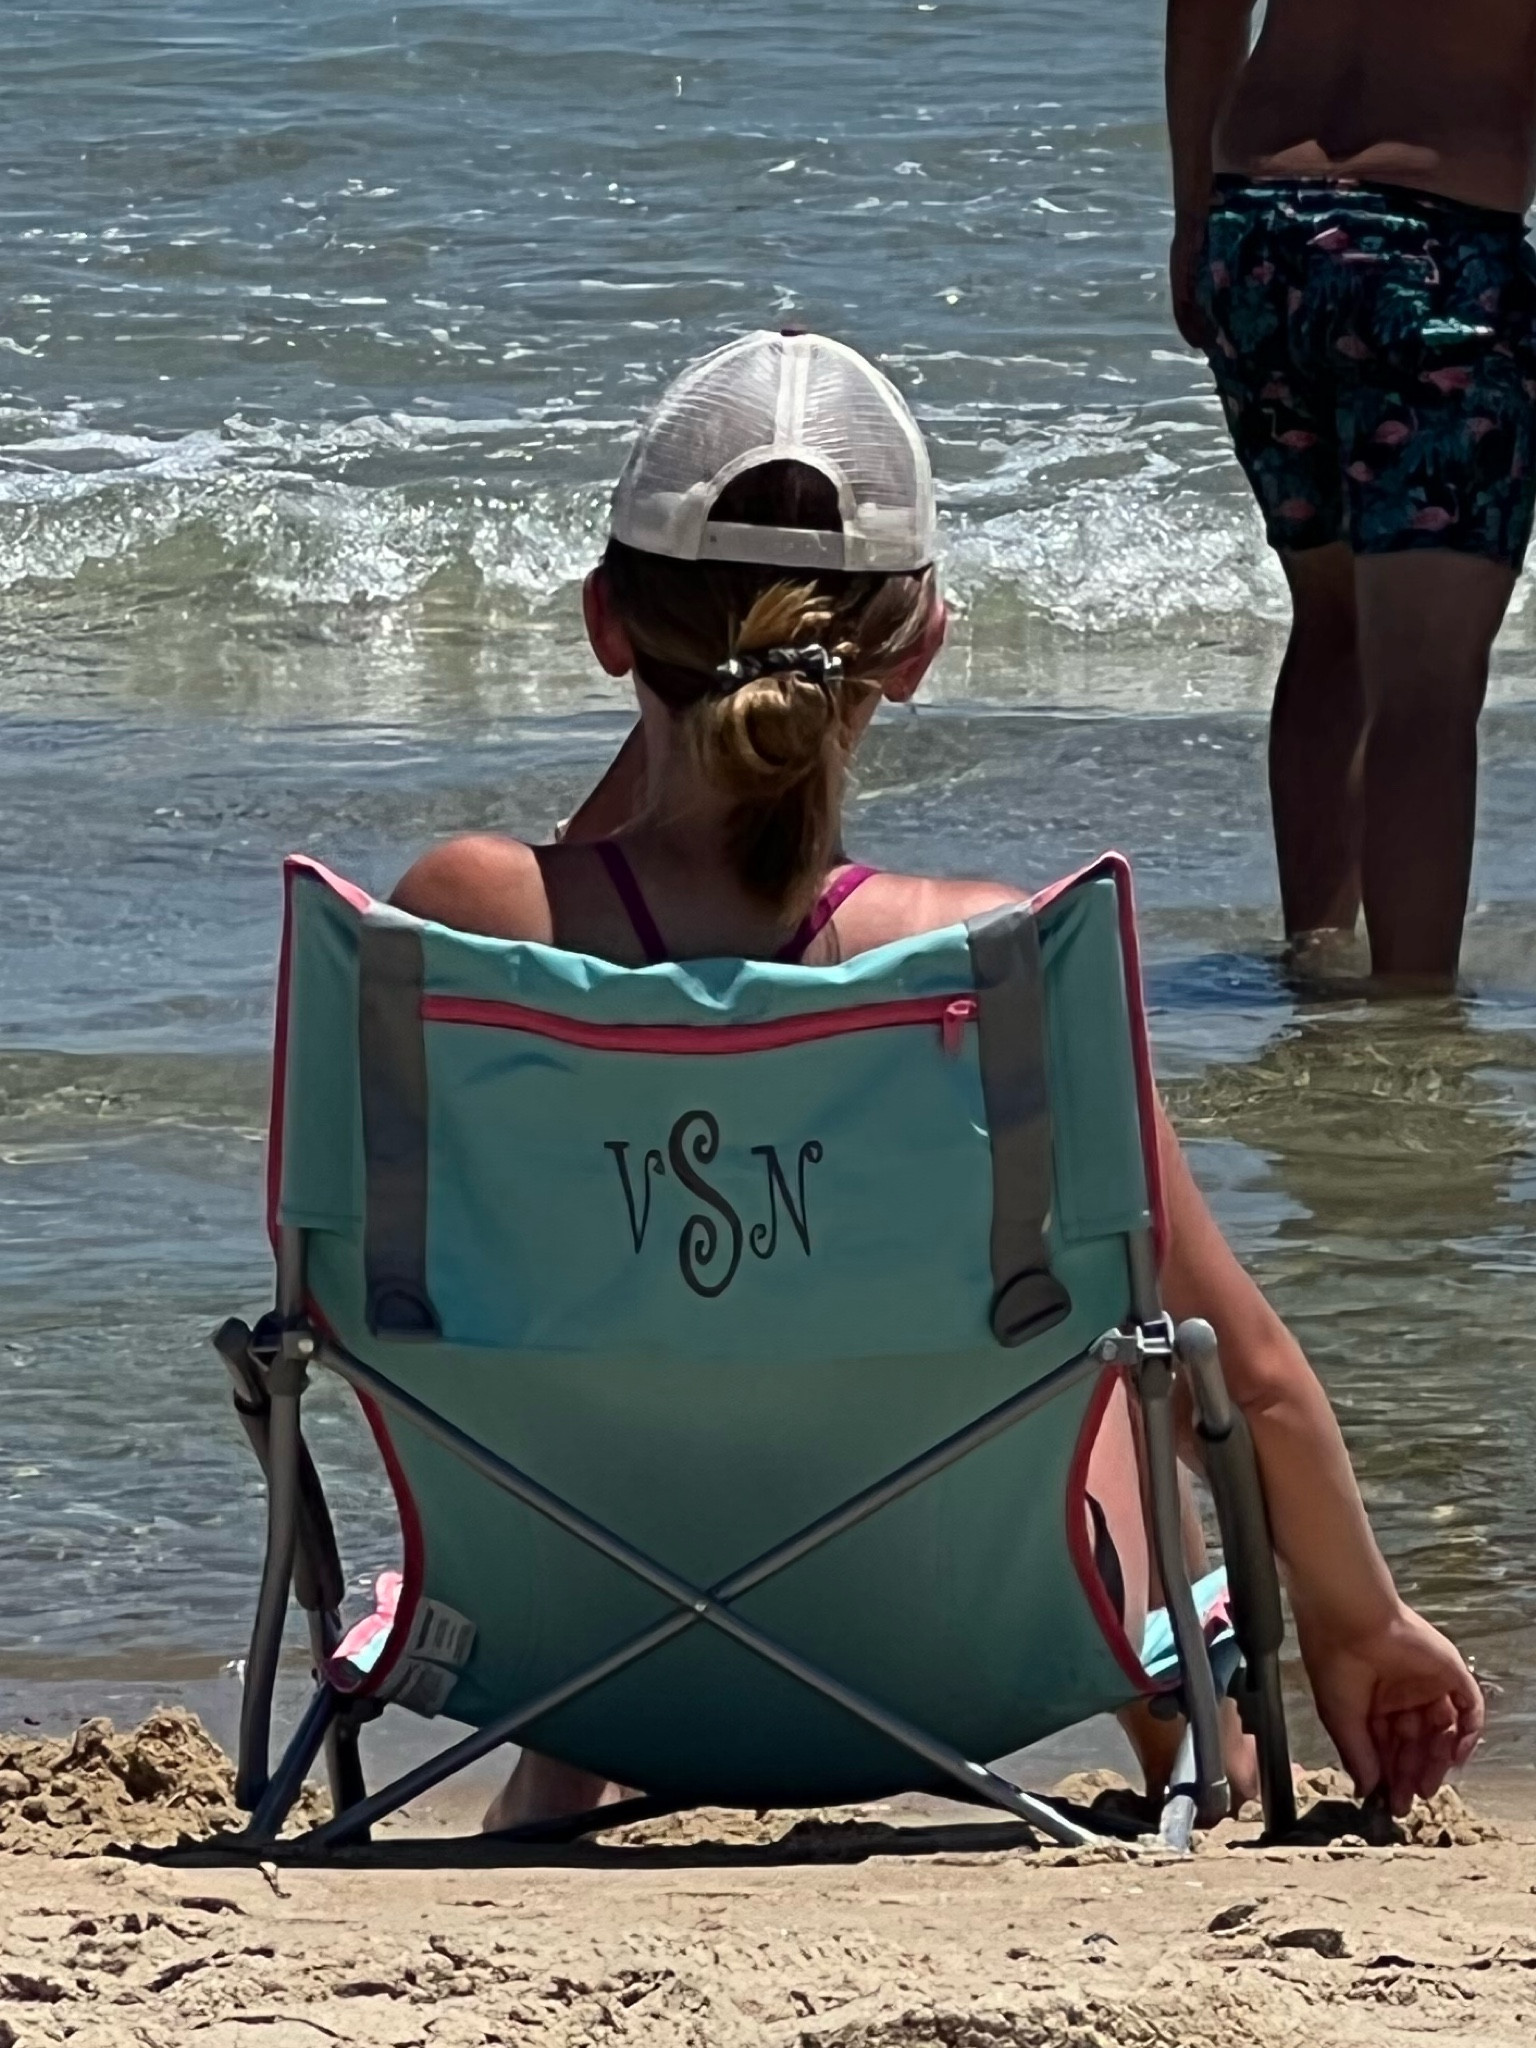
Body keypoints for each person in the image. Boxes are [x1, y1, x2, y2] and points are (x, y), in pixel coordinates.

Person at [392, 330, 1483, 1832]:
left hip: (578, 1651)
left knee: (618, 1331)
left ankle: (562, 1767)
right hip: (956, 1665)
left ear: (602, 624)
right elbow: (1255, 1382)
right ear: (919, 653)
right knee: (1109, 1346)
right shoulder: (987, 963)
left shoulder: (463, 918)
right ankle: (1209, 1756)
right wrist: (1364, 1628)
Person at [1167, 0, 1536, 989]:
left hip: (1259, 234)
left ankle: (1317, 974)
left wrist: (1192, 215)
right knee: (1425, 682)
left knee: (1331, 622)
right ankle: (1415, 1026)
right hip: (1434, 248)